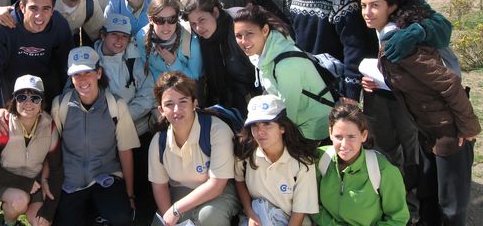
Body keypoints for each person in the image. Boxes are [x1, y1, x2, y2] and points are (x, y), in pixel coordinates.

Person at [338, 0, 453, 222]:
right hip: (373, 85)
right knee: (382, 149)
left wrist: (415, 31)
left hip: (405, 87)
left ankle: (409, 210)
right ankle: (388, 205)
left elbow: (441, 27)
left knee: (410, 149)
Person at [358, 0, 480, 226]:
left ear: (391, 7)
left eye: (375, 5)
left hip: (449, 132)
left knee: (451, 206)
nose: (367, 12)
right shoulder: (387, 38)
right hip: (427, 132)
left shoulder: (400, 44)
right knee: (429, 196)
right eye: (363, 5)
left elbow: (448, 83)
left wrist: (467, 130)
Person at [51, 47, 140, 226]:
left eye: (88, 72)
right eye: (77, 75)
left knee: (122, 218)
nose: (83, 79)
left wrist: (129, 194)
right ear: (71, 78)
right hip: (71, 180)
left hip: (105, 175)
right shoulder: (60, 105)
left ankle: (103, 213)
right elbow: (52, 149)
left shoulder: (116, 105)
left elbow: (125, 151)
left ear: (99, 73)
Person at [283, 0, 369, 103]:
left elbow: (354, 44)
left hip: (333, 81)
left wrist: (351, 92)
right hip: (304, 75)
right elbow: (292, 31)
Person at [0, 0, 73, 136]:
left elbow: (65, 67)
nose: (39, 15)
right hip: (11, 88)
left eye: (46, 9)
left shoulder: (59, 25)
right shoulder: (2, 27)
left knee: (48, 137)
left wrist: (64, 100)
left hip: (46, 88)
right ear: (22, 7)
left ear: (52, 10)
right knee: (5, 136)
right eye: (33, 8)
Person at [148, 71, 241, 226]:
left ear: (195, 103)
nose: (176, 110)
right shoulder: (158, 142)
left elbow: (217, 185)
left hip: (220, 191)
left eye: (183, 101)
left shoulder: (216, 130)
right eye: (169, 104)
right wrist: (168, 217)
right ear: (161, 110)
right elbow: (160, 186)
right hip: (181, 191)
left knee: (208, 217)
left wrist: (175, 210)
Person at [232, 4, 333, 142]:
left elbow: (288, 114)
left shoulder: (286, 64)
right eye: (238, 36)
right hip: (298, 128)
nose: (244, 41)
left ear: (265, 30)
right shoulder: (262, 54)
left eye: (249, 33)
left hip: (316, 133)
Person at [0, 75, 62, 226]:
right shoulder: (2, 124)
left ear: (42, 102)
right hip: (4, 180)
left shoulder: (49, 126)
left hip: (35, 183)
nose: (28, 103)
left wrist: (49, 209)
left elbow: (56, 167)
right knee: (20, 201)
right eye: (21, 97)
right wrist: (25, 184)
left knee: (42, 223)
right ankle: (9, 222)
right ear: (14, 100)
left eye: (35, 98)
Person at [313, 104, 409, 226]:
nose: (344, 144)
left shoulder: (385, 171)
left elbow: (398, 219)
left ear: (364, 135)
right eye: (338, 137)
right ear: (330, 133)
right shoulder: (319, 158)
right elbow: (311, 203)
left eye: (351, 137)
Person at [234, 94, 318, 226]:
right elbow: (239, 181)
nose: (260, 131)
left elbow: (299, 212)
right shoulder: (245, 152)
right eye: (254, 125)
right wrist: (251, 214)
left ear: (282, 127)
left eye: (267, 124)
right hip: (256, 215)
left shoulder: (303, 163)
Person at [183, 0, 259, 118]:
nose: (198, 28)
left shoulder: (238, 28)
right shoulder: (199, 38)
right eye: (193, 23)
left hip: (250, 99)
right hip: (222, 101)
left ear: (215, 13)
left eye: (202, 20)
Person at [96, 13, 156, 136]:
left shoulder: (135, 59)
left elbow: (148, 94)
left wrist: (122, 118)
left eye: (124, 36)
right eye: (114, 34)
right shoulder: (90, 60)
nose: (119, 40)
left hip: (136, 128)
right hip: (100, 129)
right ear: (103, 35)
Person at [135, 0, 203, 82]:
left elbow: (194, 78)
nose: (166, 26)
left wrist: (173, 63)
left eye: (172, 19)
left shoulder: (191, 42)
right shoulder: (142, 36)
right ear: (150, 20)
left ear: (177, 18)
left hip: (186, 88)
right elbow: (150, 69)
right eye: (160, 20)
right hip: (158, 86)